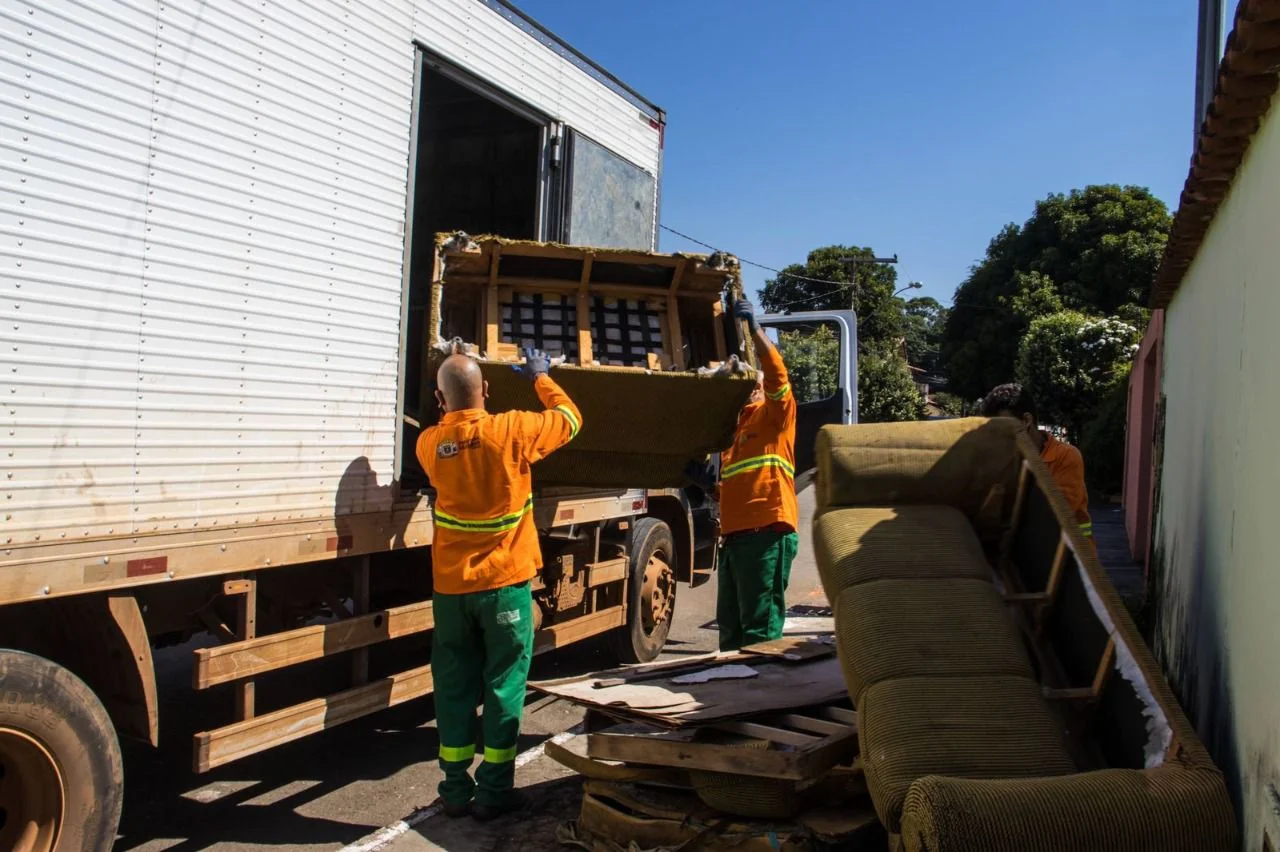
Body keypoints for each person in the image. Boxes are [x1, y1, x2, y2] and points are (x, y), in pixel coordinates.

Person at [416, 347, 581, 821]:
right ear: (486, 391)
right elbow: (570, 418)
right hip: (505, 585)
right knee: (504, 685)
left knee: (452, 688)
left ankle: (453, 789)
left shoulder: (428, 444)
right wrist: (540, 376)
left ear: (439, 399)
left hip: (450, 591)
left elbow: (450, 442)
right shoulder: (513, 429)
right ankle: (493, 792)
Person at [713, 298, 798, 651]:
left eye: (754, 380)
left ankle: (763, 704)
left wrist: (757, 331)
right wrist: (708, 485)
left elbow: (778, 375)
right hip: (735, 541)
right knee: (731, 636)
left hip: (766, 535)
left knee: (760, 635)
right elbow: (737, 483)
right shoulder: (731, 431)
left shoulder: (774, 416)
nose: (749, 385)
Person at [980, 382, 1093, 543]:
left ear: (1026, 420)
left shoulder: (1066, 456)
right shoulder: (1003, 458)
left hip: (1069, 556)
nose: (998, 437)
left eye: (1003, 427)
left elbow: (1055, 514)